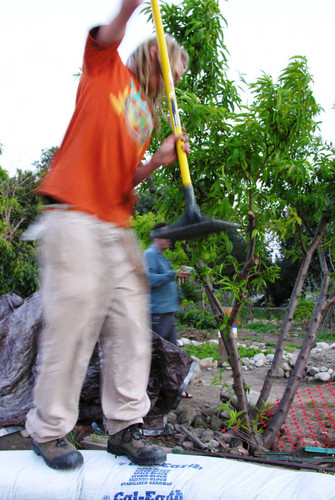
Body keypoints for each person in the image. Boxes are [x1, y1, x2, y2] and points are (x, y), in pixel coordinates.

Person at [25, 0, 190, 471]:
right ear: (155, 59)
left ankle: (124, 428)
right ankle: (49, 429)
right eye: (175, 69)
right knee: (74, 326)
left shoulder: (146, 117)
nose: (178, 80)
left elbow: (122, 179)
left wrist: (155, 163)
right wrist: (130, 6)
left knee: (130, 328)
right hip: (73, 214)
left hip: (116, 225)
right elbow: (109, 34)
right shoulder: (107, 70)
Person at [144, 223, 193, 398]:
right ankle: (152, 393)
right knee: (159, 355)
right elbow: (149, 280)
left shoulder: (163, 257)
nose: (168, 239)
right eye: (165, 235)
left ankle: (173, 390)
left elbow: (166, 282)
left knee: (172, 354)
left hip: (167, 313)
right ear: (155, 236)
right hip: (157, 314)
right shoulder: (150, 255)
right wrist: (172, 274)